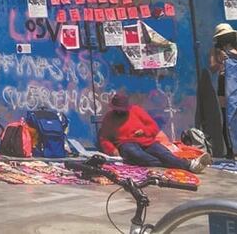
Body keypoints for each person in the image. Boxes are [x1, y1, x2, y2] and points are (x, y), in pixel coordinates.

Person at [98, 94, 208, 172]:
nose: (120, 111)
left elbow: (153, 127)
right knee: (138, 155)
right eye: (118, 109)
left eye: (122, 109)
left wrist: (144, 131)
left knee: (164, 153)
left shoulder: (136, 110)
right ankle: (175, 164)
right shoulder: (109, 118)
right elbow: (104, 138)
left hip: (146, 140)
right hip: (126, 143)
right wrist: (113, 150)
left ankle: (190, 165)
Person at [211, 23, 237, 159]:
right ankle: (231, 150)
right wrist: (220, 61)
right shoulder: (216, 50)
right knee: (227, 115)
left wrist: (233, 55)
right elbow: (212, 67)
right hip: (224, 83)